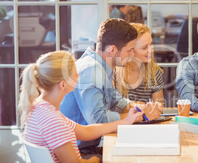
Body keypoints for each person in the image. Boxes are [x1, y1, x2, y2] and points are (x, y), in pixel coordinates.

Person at [59, 18, 162, 155]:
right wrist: (139, 116)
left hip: (88, 147)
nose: (132, 55)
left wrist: (138, 108)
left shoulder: (102, 66)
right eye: (130, 50)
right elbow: (98, 121)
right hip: (80, 152)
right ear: (113, 49)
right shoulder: (92, 71)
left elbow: (116, 100)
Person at [19, 51, 143, 162]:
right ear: (63, 85)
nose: (79, 76)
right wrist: (97, 159)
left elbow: (85, 131)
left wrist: (125, 121)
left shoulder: (41, 108)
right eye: (75, 75)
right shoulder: (52, 120)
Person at [114, 23, 164, 105]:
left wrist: (153, 109)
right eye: (144, 47)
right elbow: (110, 107)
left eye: (151, 44)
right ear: (130, 50)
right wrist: (138, 106)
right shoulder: (113, 71)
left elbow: (159, 107)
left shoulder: (154, 72)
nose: (151, 50)